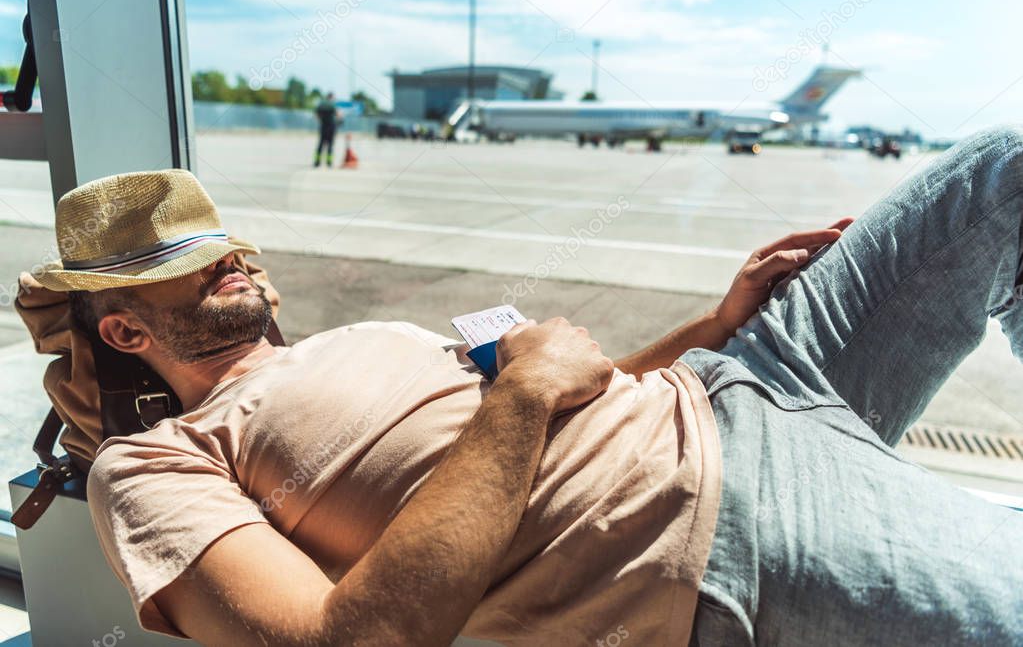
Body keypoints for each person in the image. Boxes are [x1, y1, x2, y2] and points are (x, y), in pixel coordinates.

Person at [36, 127, 1022, 646]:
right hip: (712, 517)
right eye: (186, 261)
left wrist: (716, 322)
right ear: (125, 326)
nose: (231, 260)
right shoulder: (156, 461)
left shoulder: (359, 337)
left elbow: (575, 382)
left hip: (740, 379)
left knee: (1001, 172)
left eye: (224, 245)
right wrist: (518, 394)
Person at [313, 91, 341, 167]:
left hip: (323, 126)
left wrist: (321, 121)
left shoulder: (321, 104)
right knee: (330, 145)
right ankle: (329, 162)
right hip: (331, 127)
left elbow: (316, 115)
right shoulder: (332, 104)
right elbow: (338, 115)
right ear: (331, 97)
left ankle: (317, 162)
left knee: (321, 144)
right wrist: (339, 122)